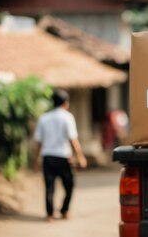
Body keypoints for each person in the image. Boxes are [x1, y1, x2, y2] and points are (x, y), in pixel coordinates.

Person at [34, 90, 88, 222]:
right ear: (65, 103)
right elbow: (73, 139)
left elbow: (38, 142)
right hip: (63, 157)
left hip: (48, 157)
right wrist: (80, 156)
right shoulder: (67, 117)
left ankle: (50, 214)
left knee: (49, 187)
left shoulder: (43, 118)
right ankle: (64, 210)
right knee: (69, 185)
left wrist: (36, 159)